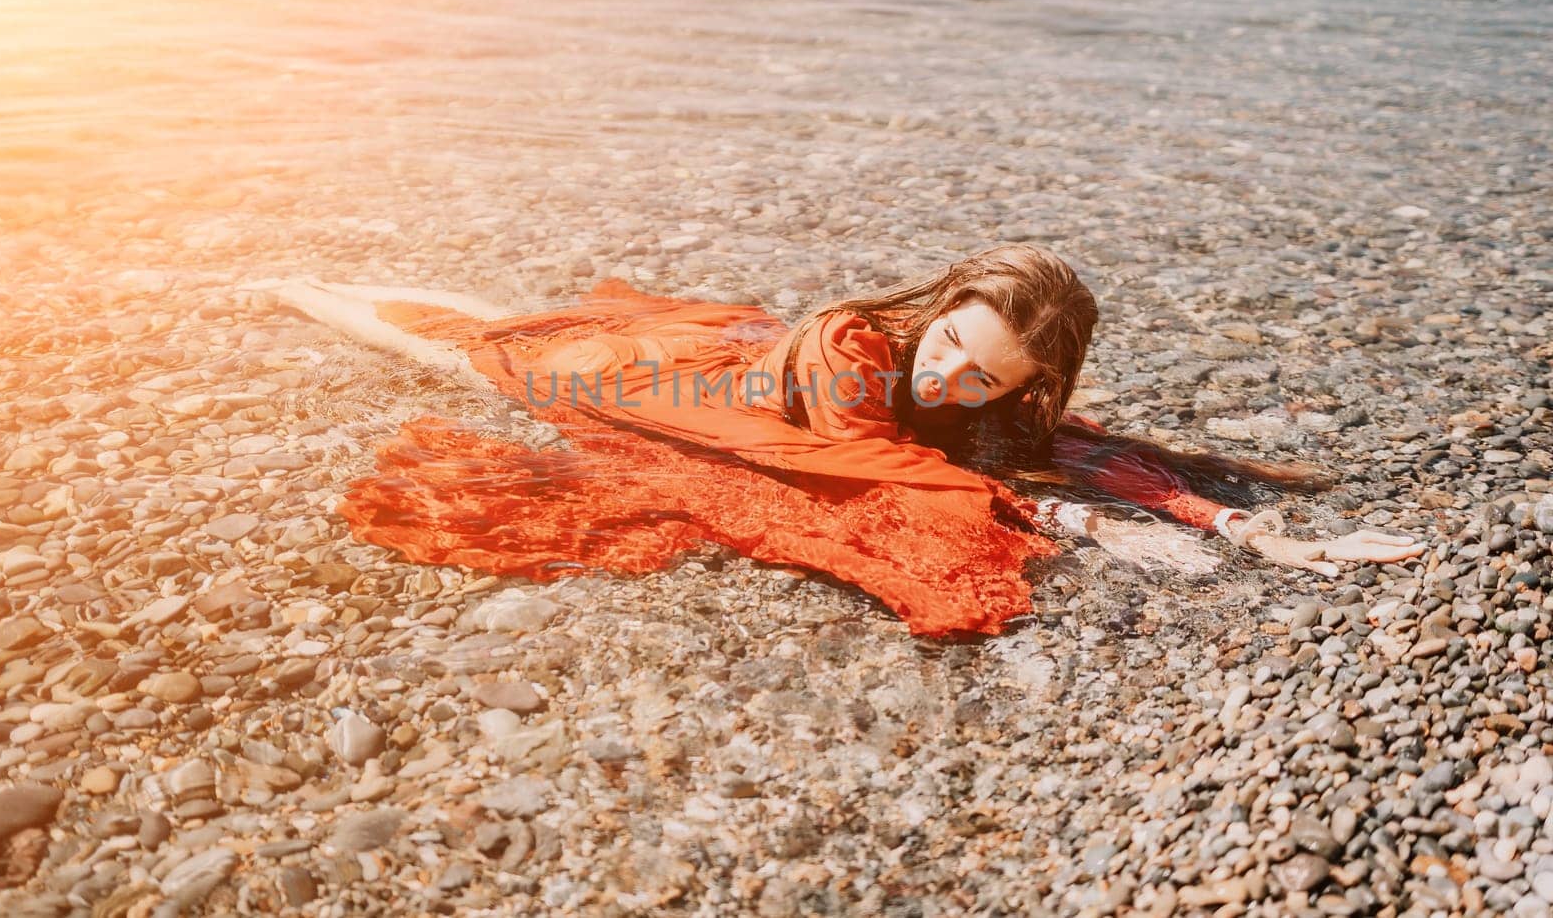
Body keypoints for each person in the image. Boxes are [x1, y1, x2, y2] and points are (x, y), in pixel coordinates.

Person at [262, 244, 1422, 638]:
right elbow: (869, 461)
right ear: (943, 301)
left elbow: (1065, 446)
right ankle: (301, 288)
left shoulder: (983, 379)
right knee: (478, 343)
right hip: (664, 383)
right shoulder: (860, 344)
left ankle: (327, 280)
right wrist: (1070, 521)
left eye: (989, 376)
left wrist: (1247, 529)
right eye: (954, 346)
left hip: (742, 353)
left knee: (498, 313)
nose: (953, 378)